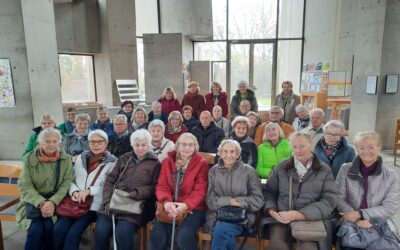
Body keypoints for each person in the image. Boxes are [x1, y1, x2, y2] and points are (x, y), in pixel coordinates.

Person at [261, 132, 337, 250]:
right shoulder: (282, 166)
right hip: (282, 218)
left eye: (302, 146)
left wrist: (299, 214)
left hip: (310, 219)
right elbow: (269, 192)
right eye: (294, 146)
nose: (298, 150)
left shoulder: (324, 169)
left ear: (311, 145)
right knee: (278, 246)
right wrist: (271, 210)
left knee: (308, 247)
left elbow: (329, 201)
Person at [94, 129, 161, 250]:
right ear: (132, 145)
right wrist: (107, 201)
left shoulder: (155, 163)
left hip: (136, 205)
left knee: (123, 233)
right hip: (114, 202)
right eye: (137, 145)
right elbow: (110, 180)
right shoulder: (124, 158)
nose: (140, 148)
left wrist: (139, 192)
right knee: (100, 232)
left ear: (149, 145)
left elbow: (156, 187)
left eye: (143, 145)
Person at [53, 130, 117, 250]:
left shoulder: (113, 161)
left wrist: (89, 191)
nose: (96, 144)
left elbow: (111, 186)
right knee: (58, 230)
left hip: (93, 206)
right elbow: (70, 179)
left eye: (99, 141)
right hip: (74, 202)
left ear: (106, 143)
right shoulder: (80, 158)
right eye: (92, 141)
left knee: (73, 233)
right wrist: (75, 191)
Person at [336, 131, 400, 250]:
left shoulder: (391, 175)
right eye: (361, 147)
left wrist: (362, 215)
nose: (366, 151)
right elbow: (338, 198)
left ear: (379, 148)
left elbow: (390, 206)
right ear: (356, 149)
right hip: (350, 221)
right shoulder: (345, 169)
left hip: (380, 222)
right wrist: (355, 218)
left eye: (371, 147)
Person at [16, 128, 73, 250]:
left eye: (54, 141)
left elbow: (66, 182)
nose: (51, 144)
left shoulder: (66, 159)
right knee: (35, 231)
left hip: (57, 201)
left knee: (50, 228)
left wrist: (52, 202)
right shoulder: (29, 159)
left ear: (59, 142)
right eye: (47, 141)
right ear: (40, 143)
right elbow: (25, 185)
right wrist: (42, 203)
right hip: (33, 202)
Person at [150, 133, 208, 250]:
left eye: (190, 145)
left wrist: (186, 205)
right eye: (184, 144)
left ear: (195, 147)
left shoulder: (201, 163)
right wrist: (167, 202)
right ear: (177, 146)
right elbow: (162, 185)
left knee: (183, 237)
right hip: (170, 205)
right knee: (157, 236)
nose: (187, 148)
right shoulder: (167, 162)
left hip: (193, 208)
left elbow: (200, 190)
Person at [205, 139, 264, 249]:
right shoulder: (213, 171)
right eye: (225, 151)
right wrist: (229, 201)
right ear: (220, 153)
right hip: (217, 215)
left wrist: (239, 202)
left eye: (232, 152)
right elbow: (210, 200)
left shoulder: (249, 171)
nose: (228, 155)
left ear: (238, 154)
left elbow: (258, 200)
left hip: (242, 217)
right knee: (223, 233)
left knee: (221, 231)